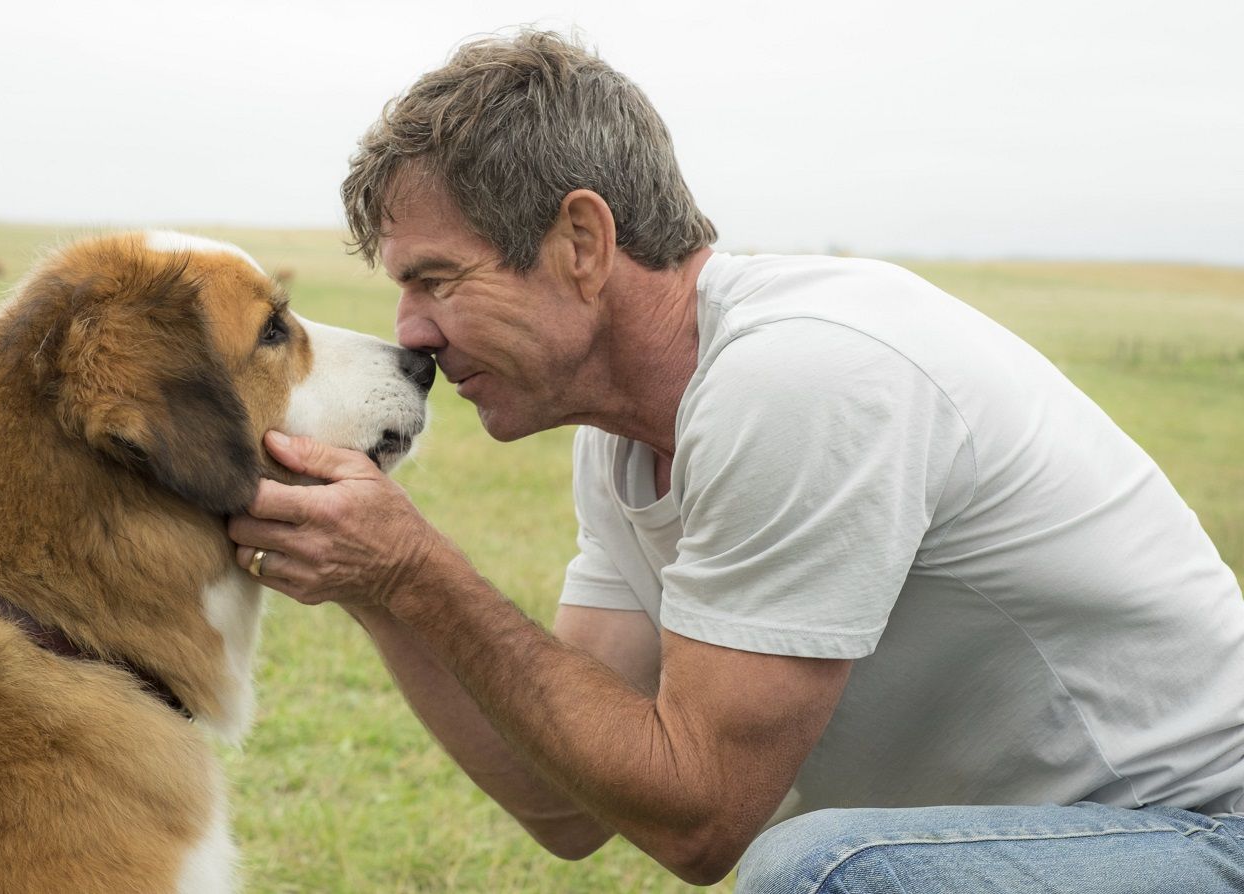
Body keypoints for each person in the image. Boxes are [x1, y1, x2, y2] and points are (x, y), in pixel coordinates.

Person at [227, 30, 1244, 891]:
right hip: (1033, 851)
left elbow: (699, 820)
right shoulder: (626, 439)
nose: (414, 334)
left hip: (1201, 829)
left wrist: (419, 571)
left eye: (437, 280)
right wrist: (375, 589)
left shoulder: (802, 376)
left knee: (825, 872)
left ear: (580, 240)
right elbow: (569, 801)